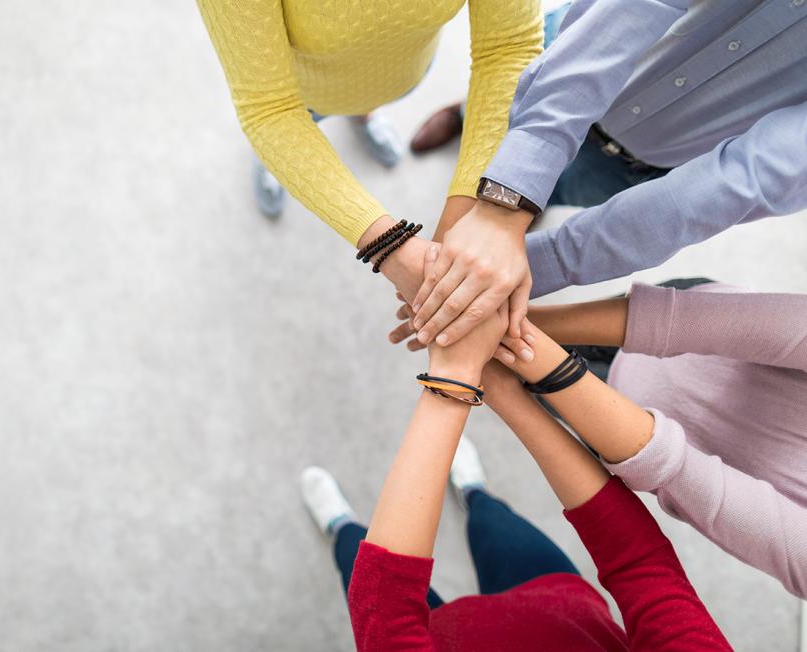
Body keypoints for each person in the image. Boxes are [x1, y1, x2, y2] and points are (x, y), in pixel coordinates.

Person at [301, 276, 731, 650]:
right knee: (490, 519)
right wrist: (505, 394)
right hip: (553, 599)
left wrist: (455, 375)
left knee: (355, 558)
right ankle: (473, 493)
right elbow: (642, 566)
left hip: (440, 634)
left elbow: (382, 608)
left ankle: (339, 523)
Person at [404, 0, 807, 350]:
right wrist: (510, 198)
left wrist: (535, 260)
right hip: (574, 55)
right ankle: (463, 115)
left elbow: (750, 178)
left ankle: (535, 202)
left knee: (565, 189)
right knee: (497, 106)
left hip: (647, 161)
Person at [183, 0, 542, 308]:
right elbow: (269, 108)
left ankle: (363, 113)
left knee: (366, 99)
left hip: (402, 72)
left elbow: (508, 47)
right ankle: (273, 162)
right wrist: (390, 247)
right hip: (305, 94)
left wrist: (454, 233)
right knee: (292, 131)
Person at [488, 279, 807, 598]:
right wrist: (512, 324)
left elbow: (681, 472)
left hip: (626, 429)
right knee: (513, 342)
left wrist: (505, 335)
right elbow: (725, 324)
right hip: (681, 325)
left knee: (512, 367)